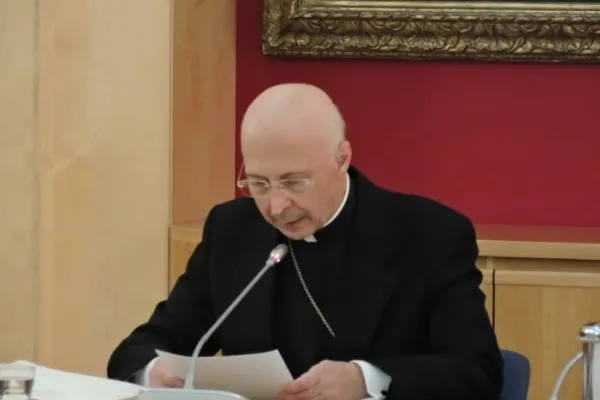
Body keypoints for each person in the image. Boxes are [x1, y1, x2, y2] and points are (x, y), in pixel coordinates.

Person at [107, 83, 504, 399]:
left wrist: (366, 379)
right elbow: (142, 347)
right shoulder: (232, 230)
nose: (277, 206)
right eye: (259, 184)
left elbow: (478, 372)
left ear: (341, 159)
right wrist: (153, 373)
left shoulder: (428, 235)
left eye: (294, 182)